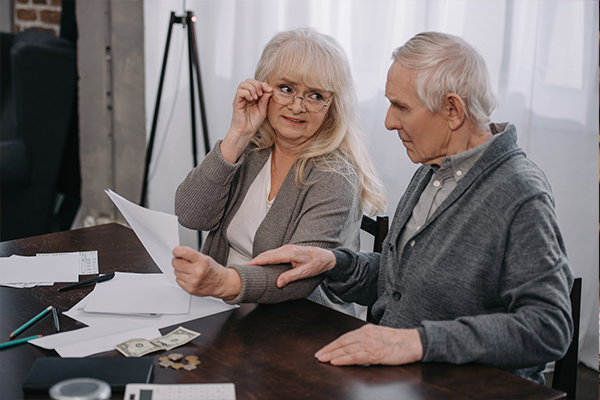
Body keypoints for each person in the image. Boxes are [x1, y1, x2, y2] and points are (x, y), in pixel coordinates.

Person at [247, 31, 574, 384]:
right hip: (397, 378)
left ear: (452, 110)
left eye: (401, 107)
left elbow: (548, 327)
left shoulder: (520, 193)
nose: (389, 121)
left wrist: (417, 342)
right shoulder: (432, 170)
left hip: (467, 388)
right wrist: (335, 263)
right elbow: (399, 283)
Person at [172, 27, 386, 316]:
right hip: (223, 308)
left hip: (300, 322)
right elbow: (190, 215)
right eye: (286, 88)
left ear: (332, 106)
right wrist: (236, 136)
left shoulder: (335, 175)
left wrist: (224, 282)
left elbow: (299, 274)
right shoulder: (252, 148)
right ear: (263, 89)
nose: (297, 106)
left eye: (315, 95)